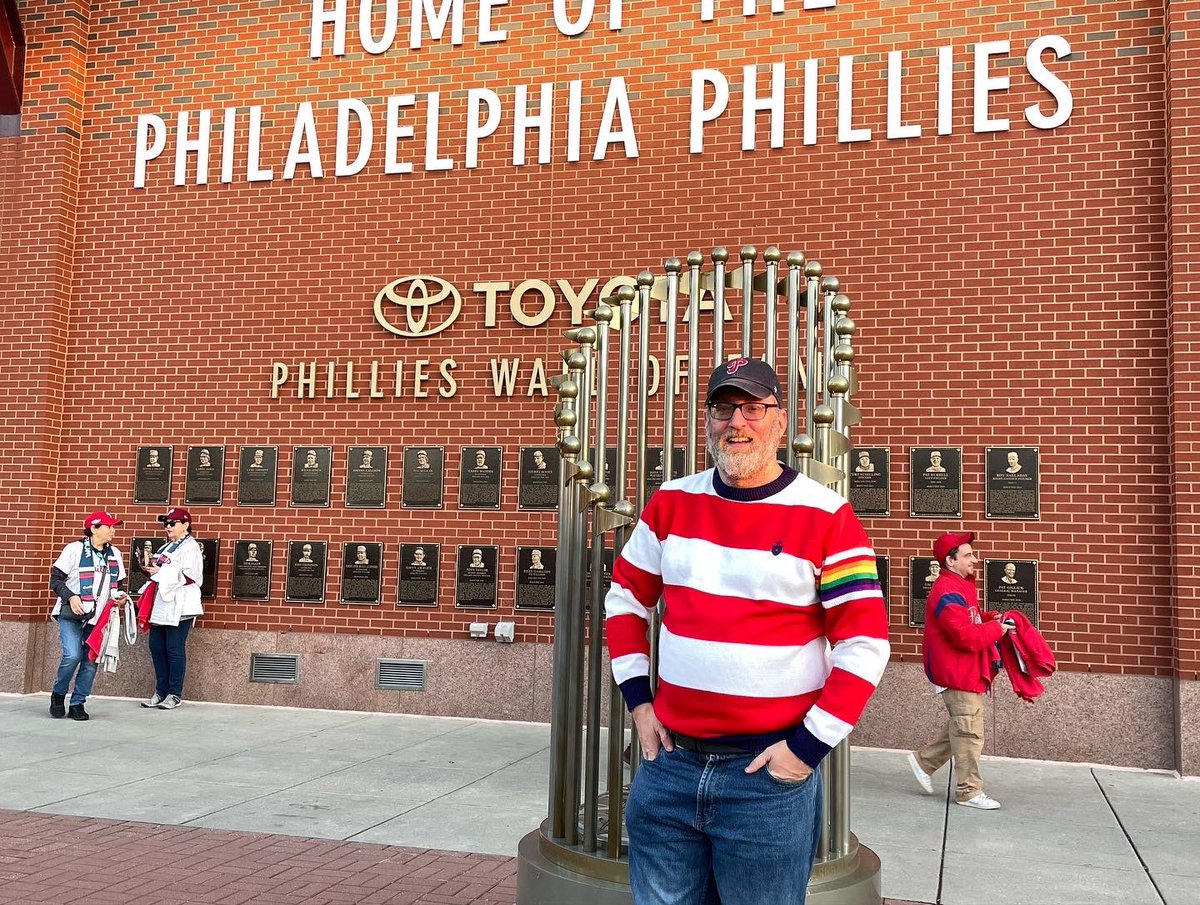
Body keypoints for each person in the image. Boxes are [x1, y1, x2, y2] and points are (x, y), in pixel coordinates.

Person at [604, 358, 890, 905]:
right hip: (669, 767)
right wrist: (640, 705)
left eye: (753, 408)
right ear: (707, 421)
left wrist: (804, 751)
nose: (737, 423)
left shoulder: (828, 516)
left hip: (766, 780)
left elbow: (864, 643)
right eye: (723, 408)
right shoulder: (670, 503)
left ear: (780, 421)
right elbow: (625, 600)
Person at [907, 531, 1011, 810]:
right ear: (950, 561)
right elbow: (964, 636)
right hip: (957, 671)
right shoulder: (947, 590)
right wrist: (996, 629)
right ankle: (968, 791)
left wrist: (991, 618)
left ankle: (923, 762)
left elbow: (971, 619)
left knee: (964, 725)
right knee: (969, 732)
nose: (974, 559)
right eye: (967, 555)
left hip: (966, 670)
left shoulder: (961, 586)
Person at [48, 511, 128, 721]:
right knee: (72, 655)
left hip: (100, 617)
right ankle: (58, 694)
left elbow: (118, 585)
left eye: (113, 526)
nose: (113, 530)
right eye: (108, 526)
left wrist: (120, 598)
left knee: (90, 660)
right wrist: (72, 597)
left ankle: (78, 703)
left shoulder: (115, 554)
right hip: (73, 613)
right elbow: (56, 580)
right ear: (93, 528)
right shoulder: (74, 549)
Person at [140, 507, 204, 711]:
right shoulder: (167, 547)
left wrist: (161, 572)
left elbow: (190, 576)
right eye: (166, 523)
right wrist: (149, 568)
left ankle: (174, 693)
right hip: (161, 605)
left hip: (180, 605)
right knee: (156, 647)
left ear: (185, 525)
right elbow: (160, 570)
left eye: (173, 523)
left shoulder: (191, 548)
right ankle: (160, 691)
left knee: (174, 649)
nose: (168, 526)